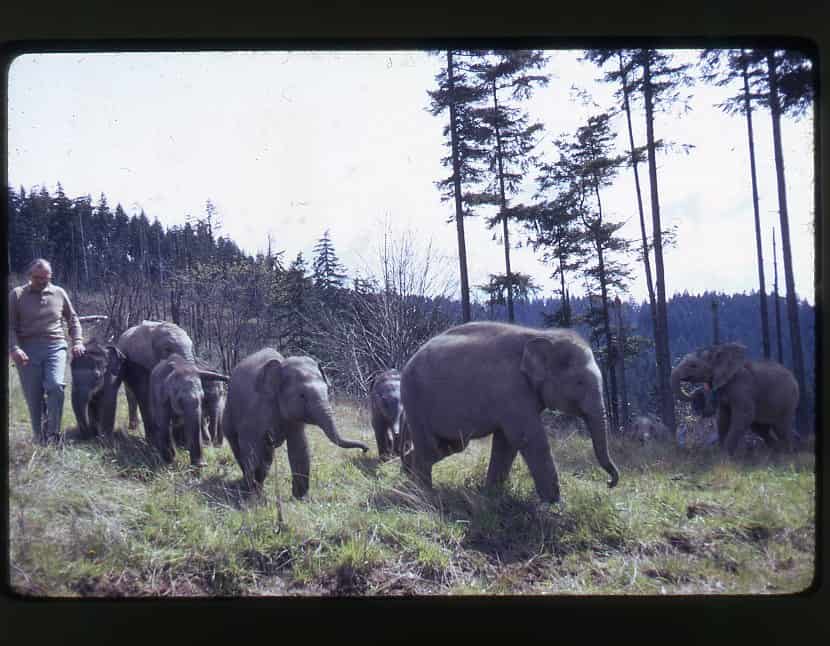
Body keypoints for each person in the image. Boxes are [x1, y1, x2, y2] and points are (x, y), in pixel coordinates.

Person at [8, 259, 85, 445]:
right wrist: (14, 348)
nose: (42, 281)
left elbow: (73, 319)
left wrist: (78, 341)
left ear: (50, 276)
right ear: (29, 276)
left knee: (56, 386)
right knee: (34, 397)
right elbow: (9, 326)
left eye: (46, 278)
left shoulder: (59, 293)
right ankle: (40, 437)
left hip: (55, 346)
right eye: (37, 278)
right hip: (27, 350)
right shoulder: (17, 295)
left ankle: (53, 435)